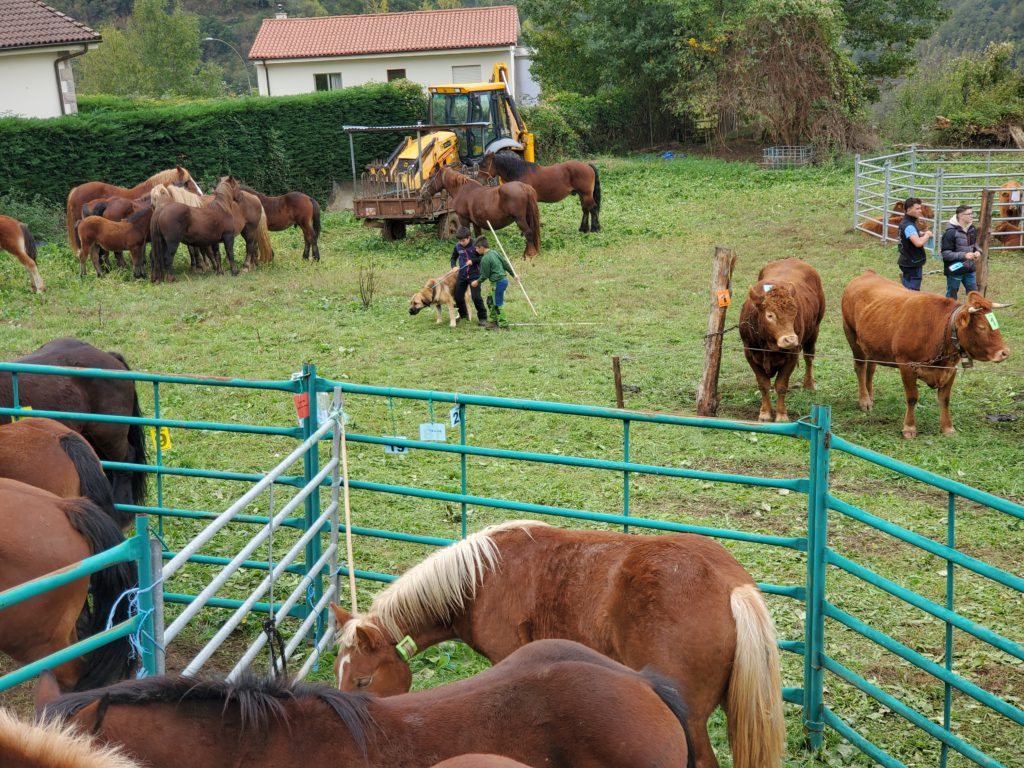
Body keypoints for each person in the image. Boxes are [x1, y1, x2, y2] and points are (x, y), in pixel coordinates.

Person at [470, 235, 512, 330]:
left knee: (498, 304)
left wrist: (477, 282)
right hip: (501, 282)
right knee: (490, 301)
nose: (476, 250)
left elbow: (485, 275)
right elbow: (505, 263)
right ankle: (494, 321)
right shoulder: (494, 252)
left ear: (481, 247)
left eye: (476, 248)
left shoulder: (485, 259)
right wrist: (513, 275)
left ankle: (504, 325)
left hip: (498, 283)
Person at [940, 204, 981, 300]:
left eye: (972, 213)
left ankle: (975, 314)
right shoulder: (950, 232)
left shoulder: (972, 229)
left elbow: (974, 245)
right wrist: (964, 255)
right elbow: (945, 254)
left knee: (974, 295)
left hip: (970, 268)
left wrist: (978, 251)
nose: (972, 216)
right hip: (955, 270)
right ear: (961, 216)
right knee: (952, 296)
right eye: (969, 214)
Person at [450, 226, 488, 325]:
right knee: (458, 296)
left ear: (469, 237)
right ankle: (464, 315)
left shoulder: (476, 245)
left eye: (463, 240)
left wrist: (473, 261)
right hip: (462, 275)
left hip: (474, 275)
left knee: (476, 297)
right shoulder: (457, 246)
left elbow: (483, 257)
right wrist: (453, 266)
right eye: (459, 241)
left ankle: (483, 318)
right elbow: (453, 258)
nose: (461, 242)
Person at [897, 197, 933, 291]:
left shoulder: (906, 222)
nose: (920, 211)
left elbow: (909, 236)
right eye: (917, 208)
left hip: (907, 260)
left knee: (908, 288)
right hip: (912, 262)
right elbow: (918, 243)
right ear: (908, 210)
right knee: (912, 292)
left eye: (920, 208)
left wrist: (920, 234)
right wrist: (927, 235)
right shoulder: (909, 225)